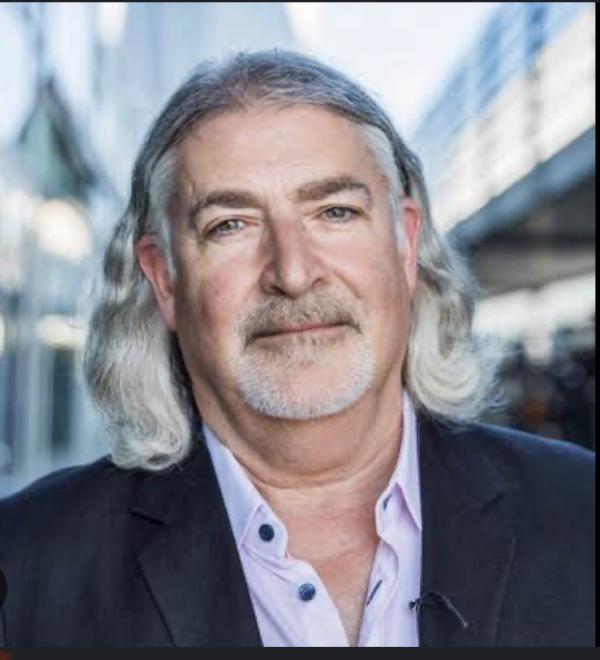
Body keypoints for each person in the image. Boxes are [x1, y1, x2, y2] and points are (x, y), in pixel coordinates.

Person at [0, 49, 594, 648]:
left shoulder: (583, 512)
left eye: (335, 212)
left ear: (406, 246)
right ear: (165, 279)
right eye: (230, 225)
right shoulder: (22, 571)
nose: (293, 272)